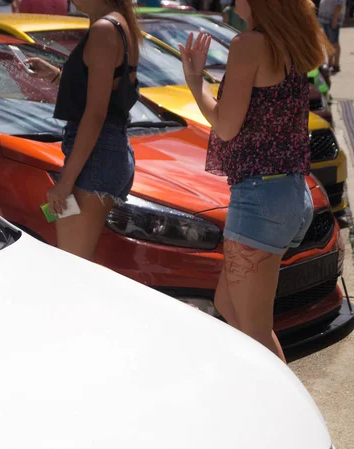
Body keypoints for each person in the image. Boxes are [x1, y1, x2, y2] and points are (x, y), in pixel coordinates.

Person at [178, 0, 330, 362]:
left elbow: (227, 126)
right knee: (226, 304)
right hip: (291, 191)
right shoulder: (288, 42)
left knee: (255, 329)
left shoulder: (249, 44)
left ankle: (287, 412)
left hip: (261, 197)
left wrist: (195, 82)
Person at [23, 0, 141, 261]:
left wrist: (65, 182)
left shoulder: (104, 28)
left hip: (96, 156)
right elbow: (104, 88)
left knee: (71, 265)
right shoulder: (118, 22)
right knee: (68, 252)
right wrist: (55, 74)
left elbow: (96, 114)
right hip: (106, 151)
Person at [318, 0, 346, 72]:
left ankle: (336, 65)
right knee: (328, 43)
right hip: (326, 20)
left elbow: (338, 5)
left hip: (331, 20)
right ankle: (330, 63)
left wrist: (334, 19)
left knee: (334, 42)